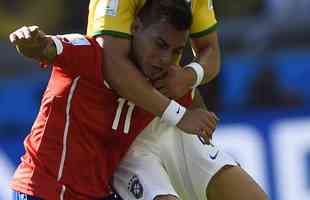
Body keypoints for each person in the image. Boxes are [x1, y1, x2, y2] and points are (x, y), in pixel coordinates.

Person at [9, 1, 215, 199]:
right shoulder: (89, 54)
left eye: (176, 52)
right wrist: (31, 43)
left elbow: (195, 105)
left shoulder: (160, 84)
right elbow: (47, 46)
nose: (165, 59)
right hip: (44, 189)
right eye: (160, 44)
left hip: (97, 194)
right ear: (135, 27)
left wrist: (203, 119)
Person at [87, 0, 269, 200]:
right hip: (120, 131)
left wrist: (189, 76)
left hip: (169, 120)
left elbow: (211, 51)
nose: (166, 58)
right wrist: (180, 115)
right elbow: (113, 67)